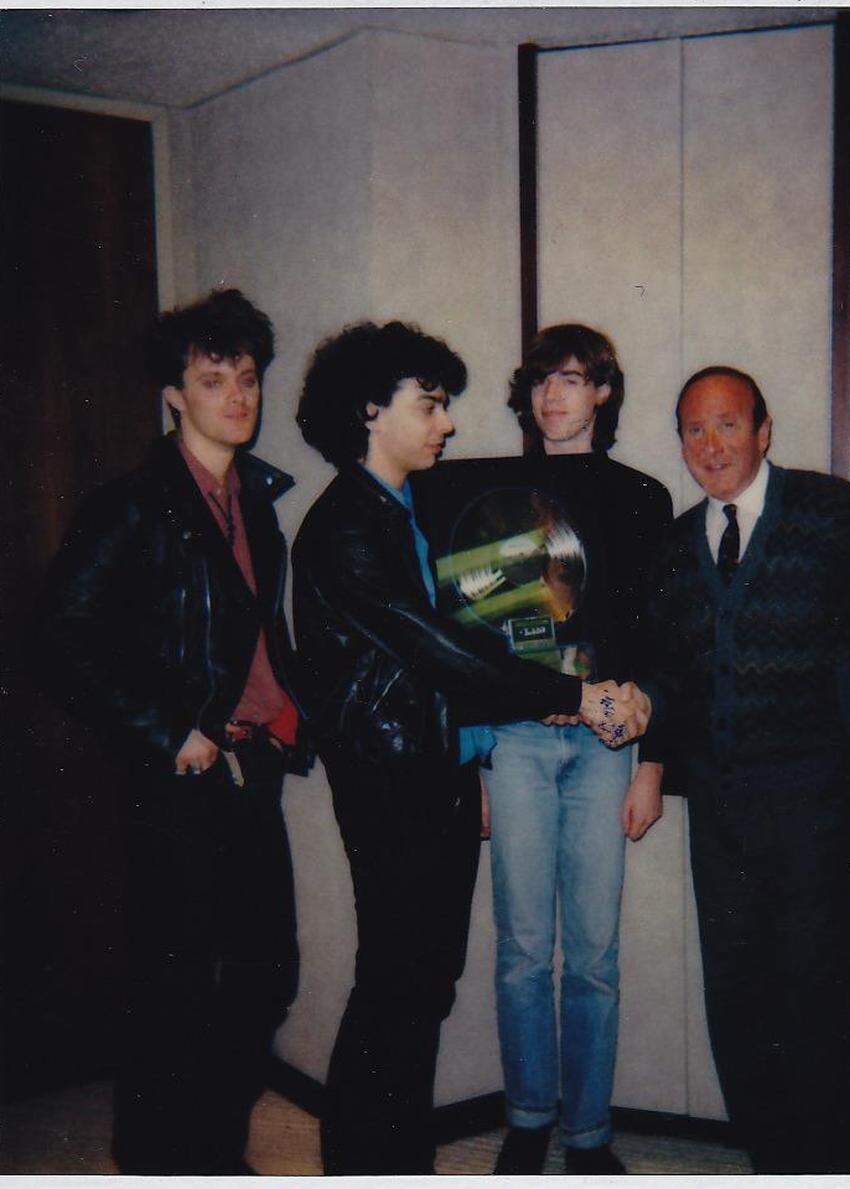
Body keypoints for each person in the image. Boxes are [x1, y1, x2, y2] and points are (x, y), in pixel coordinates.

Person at [290, 320, 649, 1174]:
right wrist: (570, 693)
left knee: (421, 986)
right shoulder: (347, 522)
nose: (446, 423)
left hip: (437, 775)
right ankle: (364, 1164)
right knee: (395, 987)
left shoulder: (400, 508)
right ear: (373, 410)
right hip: (394, 786)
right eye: (431, 404)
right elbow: (439, 648)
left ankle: (396, 1159)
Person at [37, 289, 308, 1173]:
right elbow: (57, 642)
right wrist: (167, 732)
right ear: (174, 395)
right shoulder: (133, 505)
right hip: (182, 776)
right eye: (212, 377)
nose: (238, 394)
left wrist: (286, 719)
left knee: (265, 973)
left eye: (248, 376)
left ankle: (213, 1147)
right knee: (177, 988)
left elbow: (253, 635)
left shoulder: (254, 501)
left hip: (250, 768)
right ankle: (168, 1161)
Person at [637, 366, 850, 1173]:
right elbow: (665, 669)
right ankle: (769, 1155)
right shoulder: (676, 544)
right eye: (692, 429)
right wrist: (651, 761)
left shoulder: (835, 514)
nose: (709, 445)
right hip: (719, 799)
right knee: (736, 988)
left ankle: (820, 1165)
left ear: (764, 428)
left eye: (725, 424)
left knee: (813, 989)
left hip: (813, 798)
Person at [485, 325, 673, 1175]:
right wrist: (475, 759)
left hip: (605, 747)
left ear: (602, 391)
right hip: (518, 741)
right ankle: (528, 1117)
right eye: (540, 381)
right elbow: (473, 637)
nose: (553, 396)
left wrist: (655, 763)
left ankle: (589, 1133)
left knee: (592, 953)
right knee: (524, 949)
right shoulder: (491, 490)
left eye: (571, 379)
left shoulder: (642, 496)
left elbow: (662, 637)